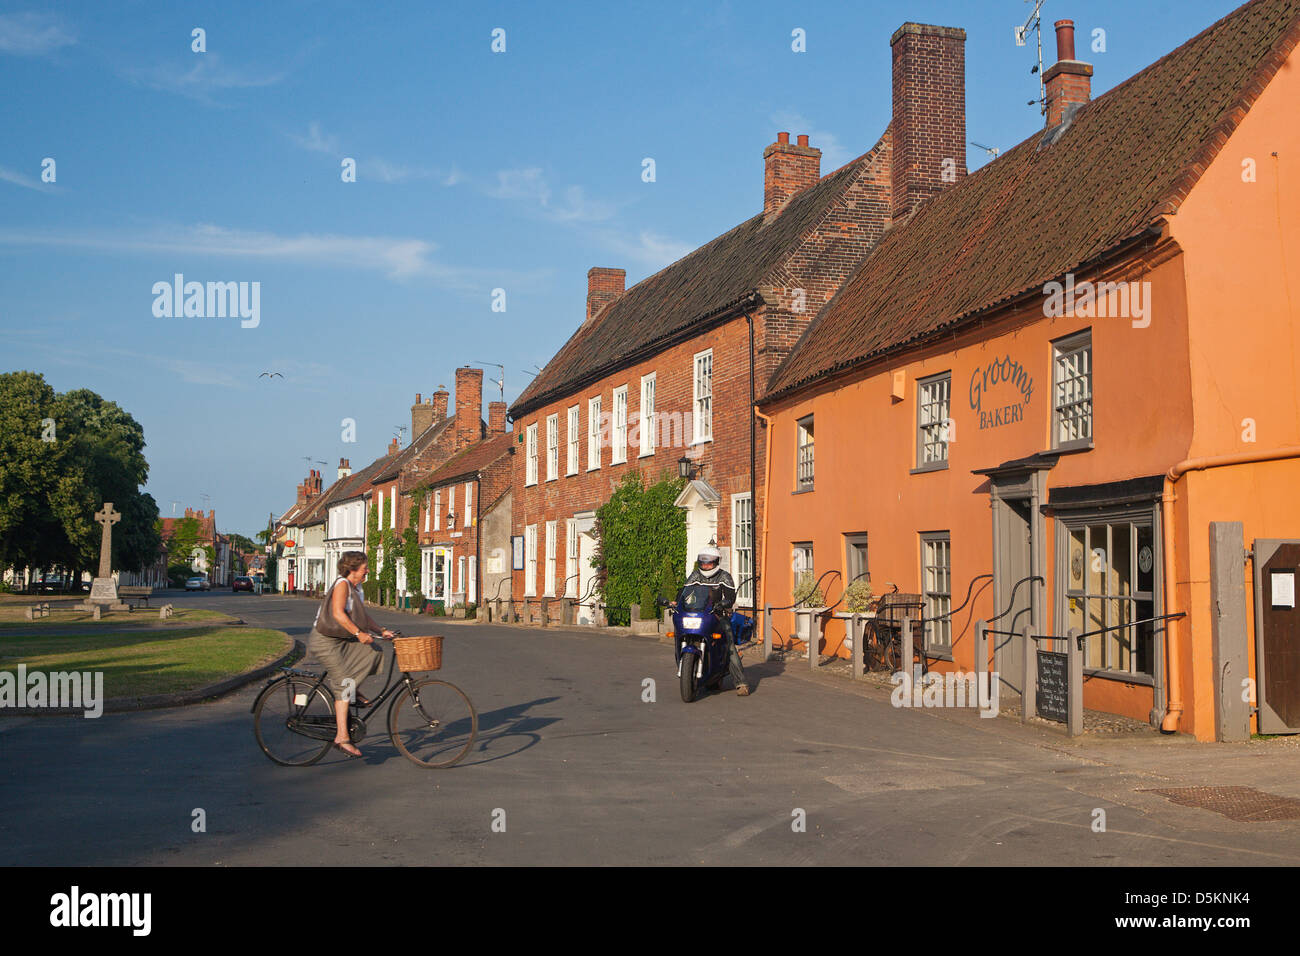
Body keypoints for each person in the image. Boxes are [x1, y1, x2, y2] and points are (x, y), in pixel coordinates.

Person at [308, 551, 394, 757]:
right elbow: (338, 613)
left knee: (372, 651)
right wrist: (358, 633)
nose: (368, 571)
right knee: (344, 683)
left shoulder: (357, 588)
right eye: (365, 568)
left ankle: (351, 691)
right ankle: (342, 737)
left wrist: (380, 630)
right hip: (325, 641)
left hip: (341, 639)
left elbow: (363, 616)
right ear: (353, 570)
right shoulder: (342, 585)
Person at [681, 546, 749, 696]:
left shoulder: (724, 576)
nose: (705, 566)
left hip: (719, 616)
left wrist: (724, 603)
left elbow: (730, 598)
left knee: (729, 646)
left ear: (716, 562)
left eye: (709, 563)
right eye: (703, 563)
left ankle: (741, 683)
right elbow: (684, 592)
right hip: (700, 615)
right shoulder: (695, 575)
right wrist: (676, 602)